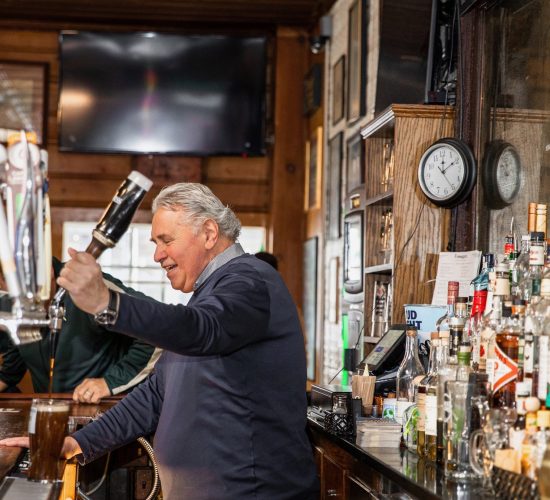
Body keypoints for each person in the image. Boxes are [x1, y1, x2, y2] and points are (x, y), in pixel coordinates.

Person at [1, 182, 319, 499]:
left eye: (166, 240)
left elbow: (201, 328)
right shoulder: (209, 295)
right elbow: (155, 396)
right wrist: (79, 443)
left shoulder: (250, 281)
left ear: (209, 233)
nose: (157, 255)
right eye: (155, 242)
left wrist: (106, 303)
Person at [0, 259, 161, 403]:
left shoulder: (86, 284)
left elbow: (155, 327)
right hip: (51, 412)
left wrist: (110, 382)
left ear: (47, 270)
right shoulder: (9, 305)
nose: (25, 299)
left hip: (106, 412)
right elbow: (13, 365)